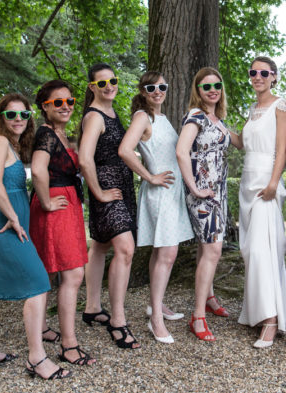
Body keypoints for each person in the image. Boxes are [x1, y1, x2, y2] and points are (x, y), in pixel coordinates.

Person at [0, 93, 70, 379]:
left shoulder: (4, 144)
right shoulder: (0, 141)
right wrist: (13, 216)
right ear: (0, 117)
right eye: (11, 115)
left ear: (29, 118)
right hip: (2, 225)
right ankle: (37, 358)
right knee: (39, 283)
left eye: (23, 115)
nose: (18, 120)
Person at [118, 71, 194, 344]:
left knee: (162, 251)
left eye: (162, 86)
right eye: (151, 87)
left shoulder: (161, 117)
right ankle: (155, 320)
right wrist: (149, 176)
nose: (157, 91)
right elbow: (125, 150)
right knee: (168, 252)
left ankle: (156, 304)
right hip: (159, 191)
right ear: (142, 90)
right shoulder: (143, 116)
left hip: (171, 192)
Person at [229, 56, 286, 348]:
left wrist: (274, 182)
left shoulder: (281, 106)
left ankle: (271, 319)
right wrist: (216, 125)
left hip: (266, 184)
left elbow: (281, 149)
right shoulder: (252, 108)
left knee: (262, 249)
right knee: (248, 250)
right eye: (253, 72)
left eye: (263, 73)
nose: (257, 76)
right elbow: (242, 142)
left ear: (274, 76)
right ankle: (257, 311)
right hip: (246, 182)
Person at [30, 80, 94, 365]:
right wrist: (45, 201)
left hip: (66, 203)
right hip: (56, 205)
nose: (66, 106)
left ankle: (44, 327)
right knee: (72, 274)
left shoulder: (58, 133)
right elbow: (37, 169)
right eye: (58, 102)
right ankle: (69, 345)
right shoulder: (45, 134)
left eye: (69, 101)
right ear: (45, 107)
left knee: (54, 271)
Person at [78, 63, 139, 349]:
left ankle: (92, 307)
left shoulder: (113, 112)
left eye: (112, 81)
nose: (109, 86)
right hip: (107, 189)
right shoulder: (94, 116)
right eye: (102, 83)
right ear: (92, 87)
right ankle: (117, 319)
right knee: (125, 248)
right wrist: (100, 193)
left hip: (122, 188)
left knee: (100, 245)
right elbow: (84, 158)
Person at [176, 67, 230, 342]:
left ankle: (208, 296)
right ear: (197, 91)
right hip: (203, 194)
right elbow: (181, 151)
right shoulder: (196, 116)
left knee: (205, 247)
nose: (212, 90)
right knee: (213, 249)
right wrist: (194, 187)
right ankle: (197, 316)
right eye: (205, 86)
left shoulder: (217, 119)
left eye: (216, 85)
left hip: (218, 192)